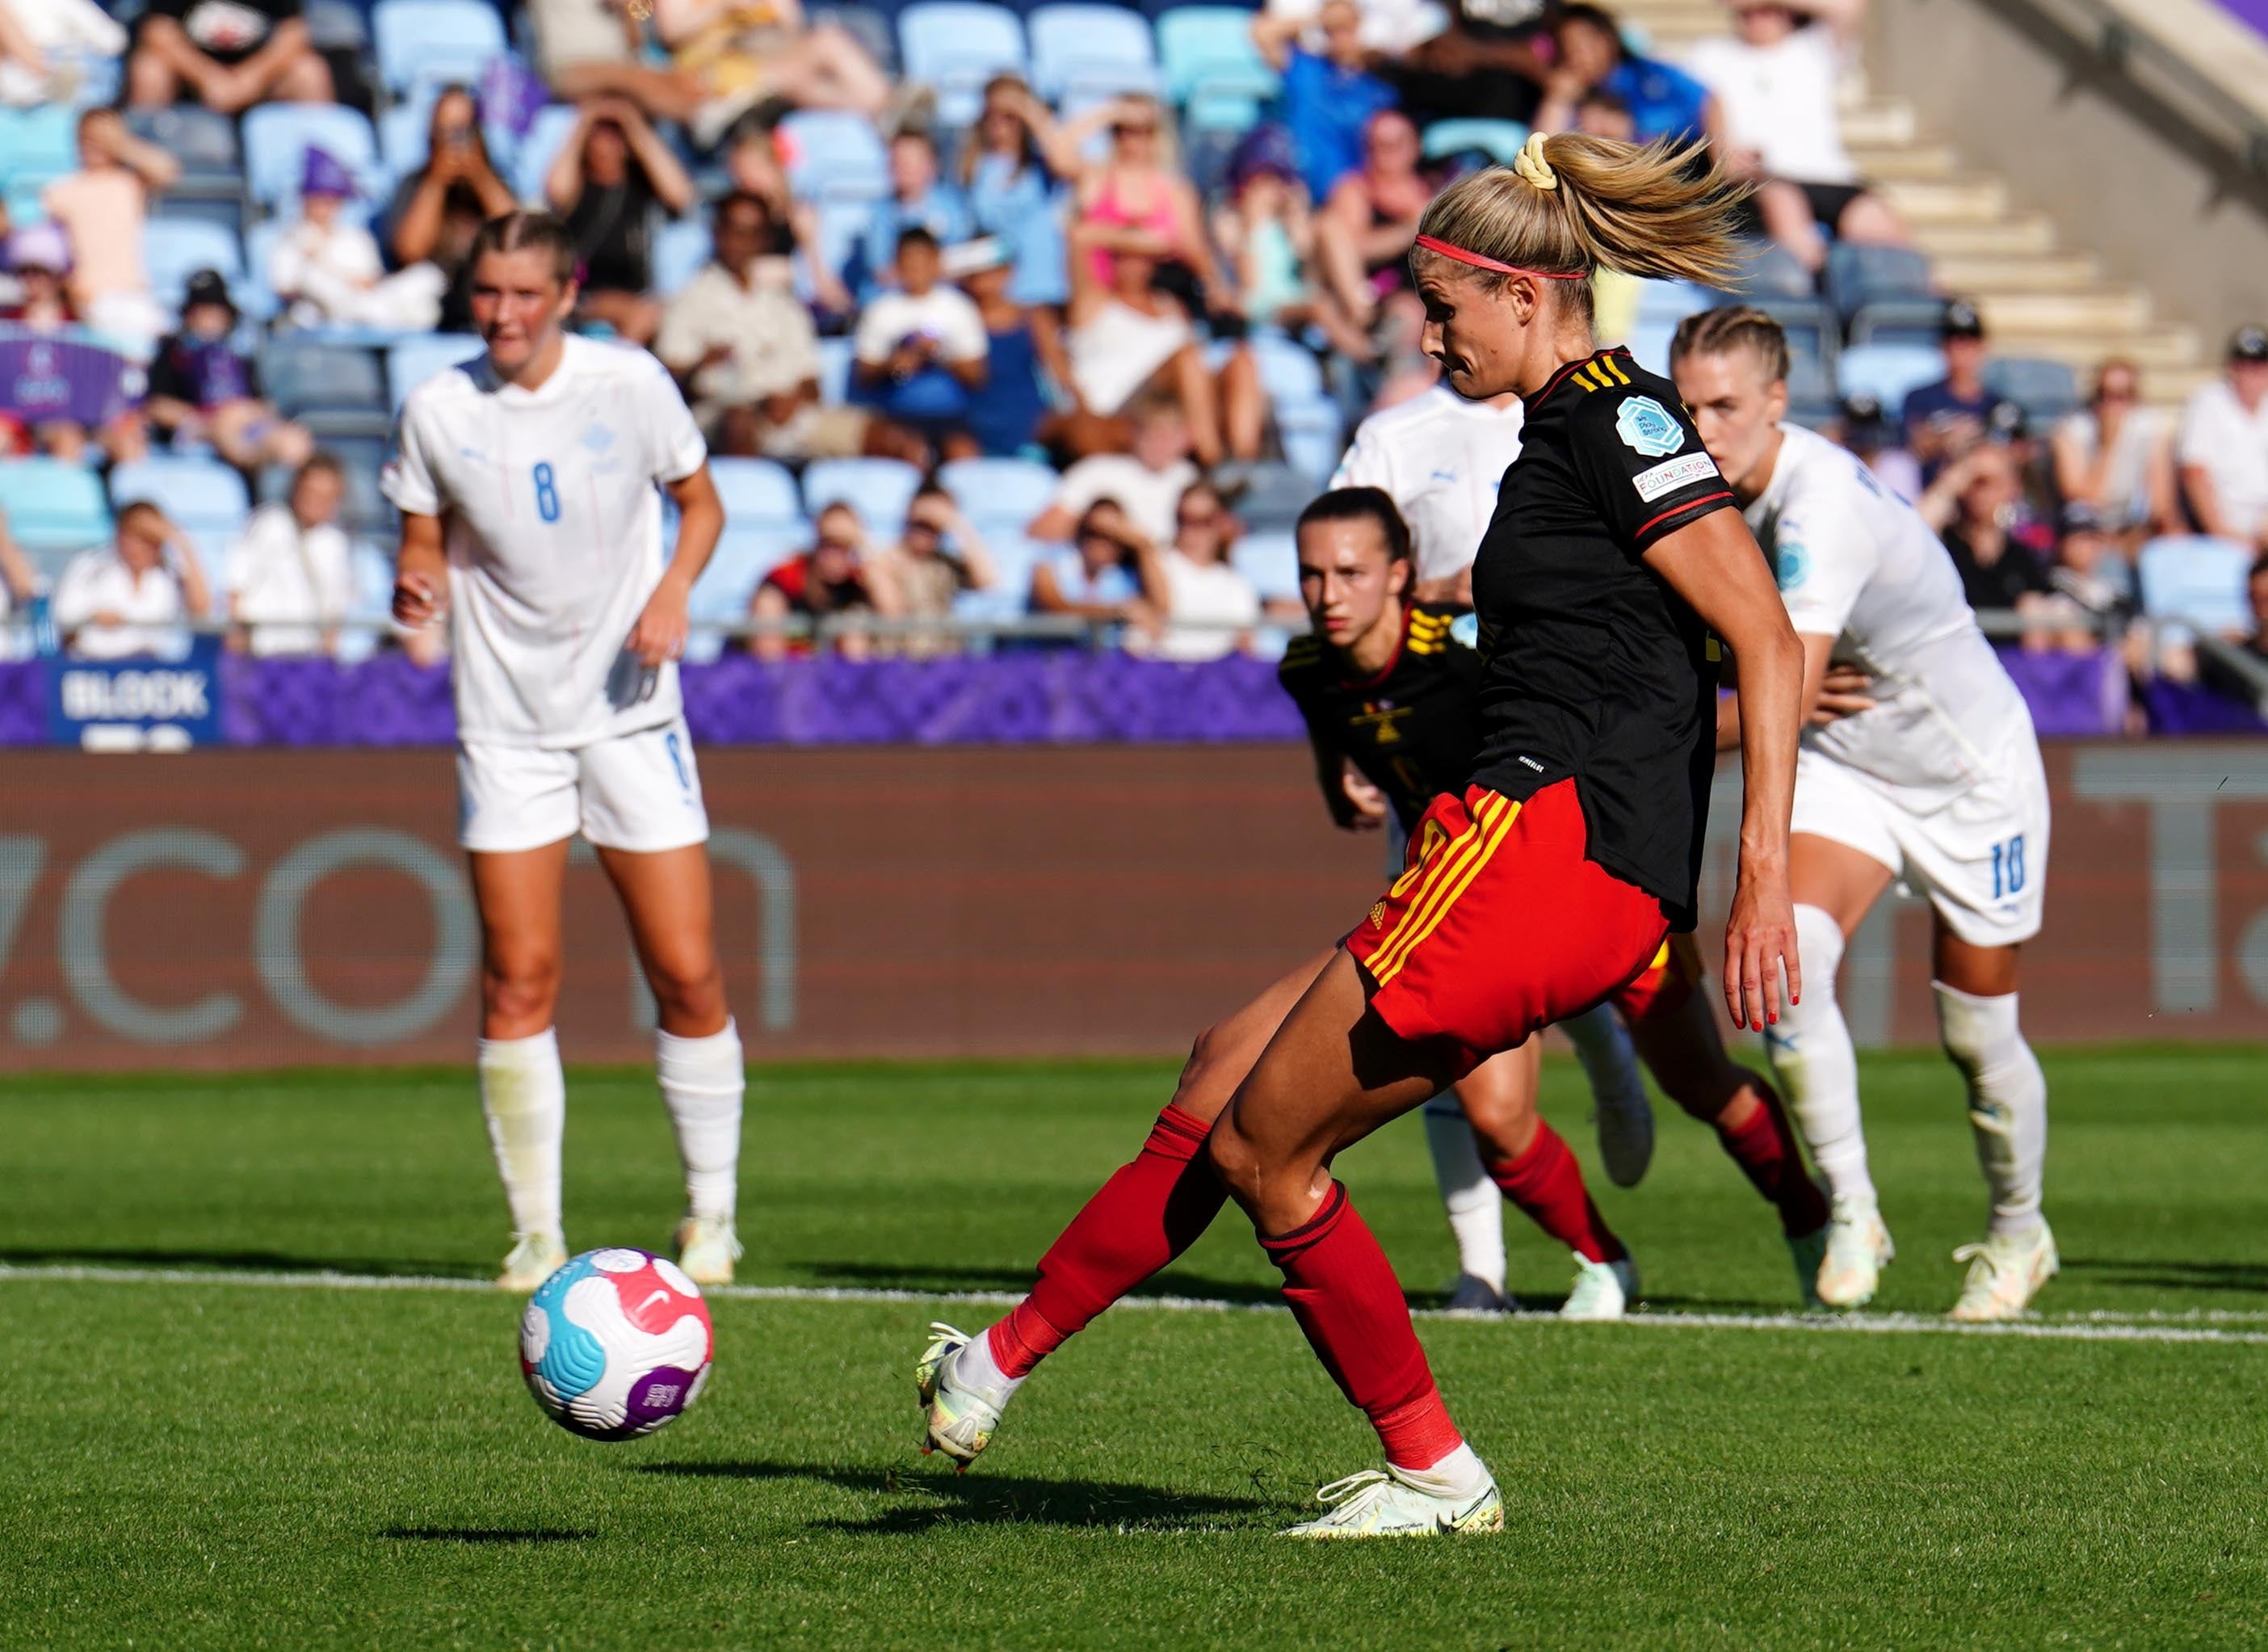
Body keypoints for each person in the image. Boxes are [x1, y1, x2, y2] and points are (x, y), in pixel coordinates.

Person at [914, 132, 1806, 1536]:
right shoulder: (1562, 437)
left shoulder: (1609, 421)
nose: (1426, 335)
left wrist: (1751, 881)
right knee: (1225, 1087)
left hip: (1539, 848)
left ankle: (1435, 1467)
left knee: (1265, 1151)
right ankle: (1004, 1360)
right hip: (1520, 850)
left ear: (1523, 295)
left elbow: (1760, 633)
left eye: (1442, 309)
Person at [383, 210, 746, 1293]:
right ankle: (536, 1232)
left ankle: (713, 1217)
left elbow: (702, 503)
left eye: (523, 295)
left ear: (566, 292)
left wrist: (674, 591)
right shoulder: (438, 407)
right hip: (506, 724)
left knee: (685, 970)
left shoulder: (628, 385)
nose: (502, 314)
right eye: (487, 293)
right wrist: (417, 585)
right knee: (516, 976)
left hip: (633, 710)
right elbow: (418, 533)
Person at [1674, 305, 2056, 1320]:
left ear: (1776, 404)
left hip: (1969, 772)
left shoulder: (1817, 504)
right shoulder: (1698, 497)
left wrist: (1659, 738)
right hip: (1853, 768)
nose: (1703, 426)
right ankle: (1853, 1209)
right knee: (1786, 969)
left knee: (1975, 1034)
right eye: (1688, 405)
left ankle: (2021, 1231)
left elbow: (1782, 699)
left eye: (1726, 406)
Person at [1329, 368, 1666, 1305]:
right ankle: (1482, 1263)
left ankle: (1605, 1053)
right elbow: (1349, 571)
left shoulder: (1597, 418)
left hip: (1562, 729)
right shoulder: (1398, 435)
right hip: (1444, 743)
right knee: (1432, 996)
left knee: (1548, 951)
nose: (1442, 332)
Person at [653, 189, 886, 463]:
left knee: (888, 437)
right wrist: (702, 365)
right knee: (739, 424)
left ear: (764, 240)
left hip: (790, 416)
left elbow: (812, 381)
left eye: (752, 233)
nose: (741, 242)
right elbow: (667, 384)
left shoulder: (784, 304)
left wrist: (793, 400)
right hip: (722, 417)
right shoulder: (690, 300)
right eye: (734, 230)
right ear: (717, 233)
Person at [1684, 0, 1909, 277]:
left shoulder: (1814, 48)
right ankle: (1820, 292)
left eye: (1767, 10)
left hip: (1832, 177)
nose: (1757, 16)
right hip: (1765, 177)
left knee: (1882, 227)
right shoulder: (1712, 55)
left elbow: (1849, 7)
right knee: (1787, 211)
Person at [546, 98, 697, 347]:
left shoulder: (643, 188)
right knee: (642, 315)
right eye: (600, 133)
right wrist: (584, 121)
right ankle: (617, 375)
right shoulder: (577, 188)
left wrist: (633, 122)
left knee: (658, 313)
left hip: (637, 294)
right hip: (582, 295)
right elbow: (555, 191)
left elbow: (682, 195)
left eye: (616, 134)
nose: (608, 142)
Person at [147, 271, 315, 472]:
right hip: (203, 429)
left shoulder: (237, 354)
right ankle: (252, 476)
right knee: (231, 433)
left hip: (247, 424)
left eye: (215, 311)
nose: (208, 319)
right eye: (200, 311)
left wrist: (243, 414)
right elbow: (157, 405)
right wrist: (211, 419)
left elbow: (263, 403)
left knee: (295, 442)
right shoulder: (172, 351)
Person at [40, 107, 178, 353]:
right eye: (88, 137)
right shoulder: (63, 190)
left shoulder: (129, 183)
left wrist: (120, 143)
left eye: (102, 137)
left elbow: (168, 170)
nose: (95, 144)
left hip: (133, 297)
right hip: (89, 300)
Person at [386, 87, 519, 338]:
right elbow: (409, 252)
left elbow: (516, 237)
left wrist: (480, 176)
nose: (453, 143)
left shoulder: (495, 182)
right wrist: (436, 182)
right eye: (444, 132)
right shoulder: (415, 184)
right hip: (431, 306)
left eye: (462, 131)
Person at [270, 148, 446, 332]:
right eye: (318, 199)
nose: (324, 207)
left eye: (331, 200)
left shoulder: (356, 238)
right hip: (323, 312)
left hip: (366, 301)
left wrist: (338, 273)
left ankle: (384, 316)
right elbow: (287, 288)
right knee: (313, 282)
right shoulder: (291, 239)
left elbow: (371, 281)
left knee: (428, 275)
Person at [851, 226, 989, 460]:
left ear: (936, 263)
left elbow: (977, 375)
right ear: (897, 265)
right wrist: (894, 365)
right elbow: (864, 374)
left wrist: (939, 355)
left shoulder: (959, 308)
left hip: (950, 416)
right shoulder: (881, 310)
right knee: (907, 452)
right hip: (895, 415)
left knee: (963, 455)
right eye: (908, 264)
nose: (915, 272)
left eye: (922, 263)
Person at [1252, 2, 1401, 208]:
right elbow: (1262, 33)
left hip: (1354, 196)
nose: (1340, 37)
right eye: (1332, 30)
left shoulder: (1376, 85)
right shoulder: (1307, 70)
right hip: (1301, 187)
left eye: (1346, 28)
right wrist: (1317, 20)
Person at [956, 74, 1083, 307]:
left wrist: (1026, 108)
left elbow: (1070, 166)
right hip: (997, 297)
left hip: (1047, 289)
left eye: (1009, 116)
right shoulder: (974, 167)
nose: (1000, 123)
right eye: (993, 114)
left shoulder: (1041, 164)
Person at [953, 237, 1072, 460]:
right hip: (973, 427)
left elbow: (1060, 372)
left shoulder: (1033, 316)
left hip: (1028, 424)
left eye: (993, 271)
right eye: (978, 274)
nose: (985, 281)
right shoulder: (956, 318)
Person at [1030, 393, 1199, 546]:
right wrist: (1097, 523)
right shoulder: (1098, 471)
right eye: (1155, 433)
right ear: (1135, 433)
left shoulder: (1190, 480)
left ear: (1186, 438)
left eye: (1172, 435)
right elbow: (1043, 531)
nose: (1162, 444)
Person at [52, 499, 212, 660]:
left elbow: (201, 609)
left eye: (150, 538)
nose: (140, 547)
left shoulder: (168, 571)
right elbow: (63, 625)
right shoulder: (91, 564)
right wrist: (92, 618)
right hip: (92, 666)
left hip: (154, 668)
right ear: (120, 533)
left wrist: (179, 541)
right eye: (135, 536)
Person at [1535, 3, 1714, 146]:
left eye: (1586, 44)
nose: (1580, 56)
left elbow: (1708, 100)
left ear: (1609, 39)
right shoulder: (1570, 94)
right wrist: (1558, 99)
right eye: (1570, 48)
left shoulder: (1650, 73)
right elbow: (1543, 149)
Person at [229, 452, 354, 656]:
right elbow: (236, 586)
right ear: (296, 489)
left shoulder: (336, 543)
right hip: (261, 654)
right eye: (310, 493)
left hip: (308, 658)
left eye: (325, 496)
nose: (315, 502)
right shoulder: (268, 523)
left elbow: (335, 611)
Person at [1123, 480, 1259, 662]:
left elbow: (1247, 646)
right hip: (1162, 671)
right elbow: (1139, 637)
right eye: (1184, 518)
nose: (1191, 528)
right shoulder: (1155, 564)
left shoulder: (1235, 583)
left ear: (1220, 521)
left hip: (1216, 678)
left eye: (1203, 520)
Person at [2051, 359, 2175, 549]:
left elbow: (2160, 506)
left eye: (2121, 396)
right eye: (2104, 395)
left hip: (2134, 528)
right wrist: (2107, 446)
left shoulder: (2152, 429)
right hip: (2086, 529)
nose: (2111, 405)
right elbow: (2082, 499)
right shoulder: (2071, 431)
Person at [126, 0, 333, 113]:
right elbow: (158, 30)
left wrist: (251, 79)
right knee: (149, 70)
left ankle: (323, 176)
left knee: (309, 72)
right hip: (191, 78)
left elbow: (294, 32)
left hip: (260, 77)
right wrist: (208, 78)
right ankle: (140, 168)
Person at [864, 482, 998, 656]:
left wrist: (955, 522)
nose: (926, 531)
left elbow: (988, 580)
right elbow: (892, 612)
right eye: (920, 525)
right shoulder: (883, 559)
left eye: (934, 528)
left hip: (945, 662)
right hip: (900, 663)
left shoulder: (945, 563)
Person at [749, 499, 888, 660]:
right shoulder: (783, 579)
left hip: (837, 679)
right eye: (829, 544)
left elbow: (895, 621)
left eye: (846, 546)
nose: (836, 555)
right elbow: (768, 656)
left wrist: (866, 548)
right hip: (791, 677)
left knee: (854, 628)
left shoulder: (856, 580)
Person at [2176, 325, 2268, 553]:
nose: (2250, 374)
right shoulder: (2208, 402)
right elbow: (2194, 472)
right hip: (2223, 525)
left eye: (2257, 365)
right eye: (2242, 365)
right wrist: (2221, 533)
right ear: (2230, 367)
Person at [855, 132, 971, 299]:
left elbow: (959, 260)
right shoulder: (880, 212)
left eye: (910, 161)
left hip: (941, 298)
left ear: (932, 165)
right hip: (893, 299)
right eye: (897, 162)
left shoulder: (953, 206)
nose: (903, 168)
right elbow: (880, 269)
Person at [1027, 498, 1155, 637]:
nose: (1101, 543)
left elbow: (1160, 608)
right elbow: (1052, 606)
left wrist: (1143, 547)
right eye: (1093, 533)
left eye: (1112, 535)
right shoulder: (1050, 562)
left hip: (1107, 656)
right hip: (1049, 656)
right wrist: (1116, 613)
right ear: (1081, 531)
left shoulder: (1125, 576)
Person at [1900, 300, 1995, 476]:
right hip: (1929, 492)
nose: (1960, 350)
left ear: (1982, 347)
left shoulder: (1996, 405)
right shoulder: (1919, 398)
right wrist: (1946, 438)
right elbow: (1912, 445)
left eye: (1968, 342)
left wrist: (1975, 439)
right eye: (1952, 342)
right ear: (1942, 346)